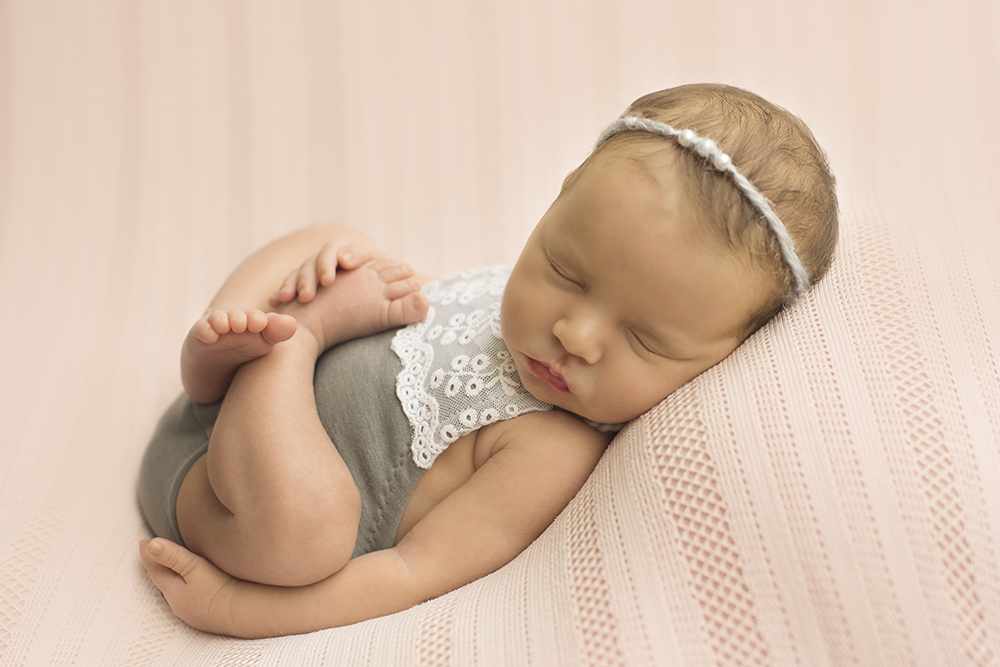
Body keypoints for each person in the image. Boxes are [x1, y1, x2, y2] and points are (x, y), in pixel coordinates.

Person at [137, 83, 838, 638]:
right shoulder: (508, 288)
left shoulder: (552, 449)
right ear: (558, 203)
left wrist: (236, 608)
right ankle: (222, 355)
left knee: (310, 528)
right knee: (344, 240)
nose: (575, 333)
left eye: (645, 339)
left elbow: (413, 571)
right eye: (566, 270)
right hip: (213, 414)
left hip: (227, 506)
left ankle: (285, 348)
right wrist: (341, 269)